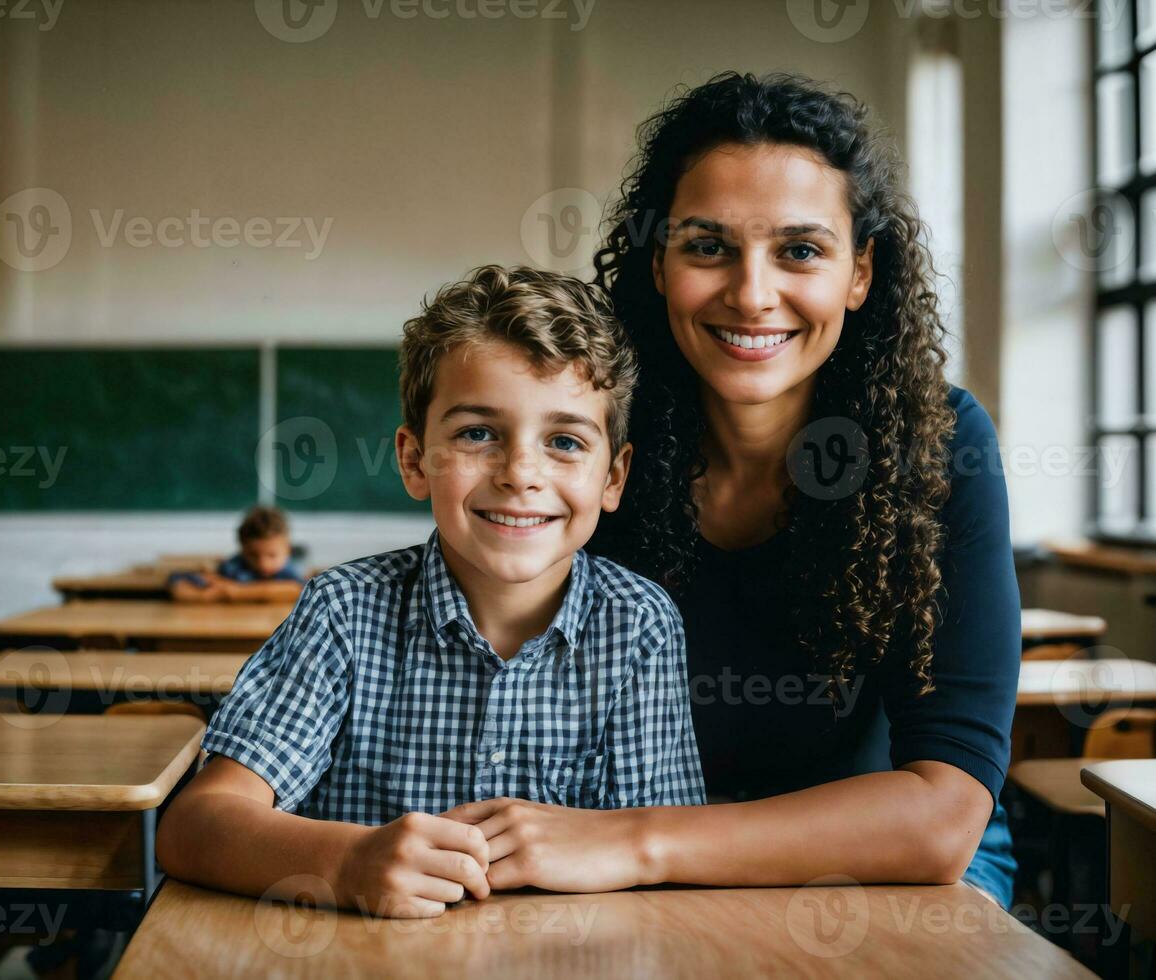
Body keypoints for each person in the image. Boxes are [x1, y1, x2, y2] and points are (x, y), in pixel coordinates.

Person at [444, 72, 1020, 908]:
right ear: (658, 264)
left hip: (888, 870)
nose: (752, 294)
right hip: (633, 868)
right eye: (708, 246)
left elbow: (944, 814)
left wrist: (638, 841)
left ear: (860, 273)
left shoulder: (936, 446)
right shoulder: (585, 446)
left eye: (801, 250)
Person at [156, 265, 706, 918]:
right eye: (478, 434)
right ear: (415, 460)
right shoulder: (345, 613)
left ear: (613, 477)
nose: (520, 475)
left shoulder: (639, 625)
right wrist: (350, 864)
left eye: (563, 441)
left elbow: (669, 857)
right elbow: (193, 826)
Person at [168, 505, 306, 604]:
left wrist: (234, 591)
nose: (263, 563)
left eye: (272, 556)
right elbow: (178, 584)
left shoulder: (290, 571)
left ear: (287, 550)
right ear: (243, 549)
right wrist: (207, 594)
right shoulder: (234, 567)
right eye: (253, 555)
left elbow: (297, 590)